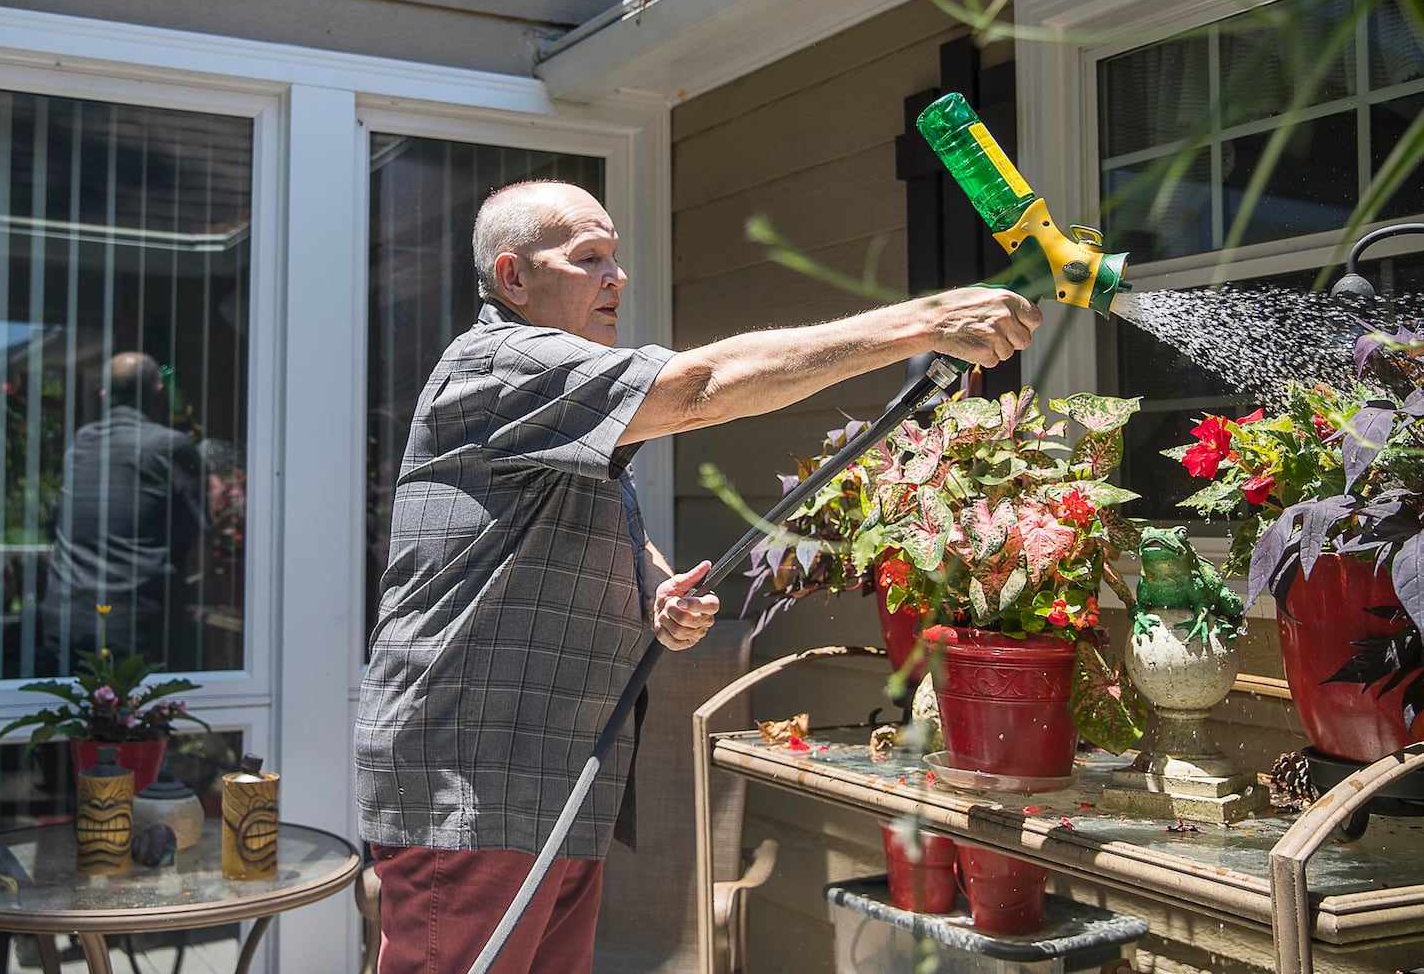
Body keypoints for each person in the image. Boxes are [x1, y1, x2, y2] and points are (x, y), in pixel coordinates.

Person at [354, 181, 1040, 973]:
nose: (617, 278)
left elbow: (584, 522)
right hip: (470, 780)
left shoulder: (560, 401)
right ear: (513, 278)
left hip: (552, 776)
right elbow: (702, 387)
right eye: (588, 259)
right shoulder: (497, 363)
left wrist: (652, 593)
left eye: (616, 257)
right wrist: (922, 324)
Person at [40, 351, 207, 672]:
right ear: (158, 393)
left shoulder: (81, 443)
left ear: (103, 395)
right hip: (136, 629)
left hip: (66, 618)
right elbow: (198, 536)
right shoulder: (172, 447)